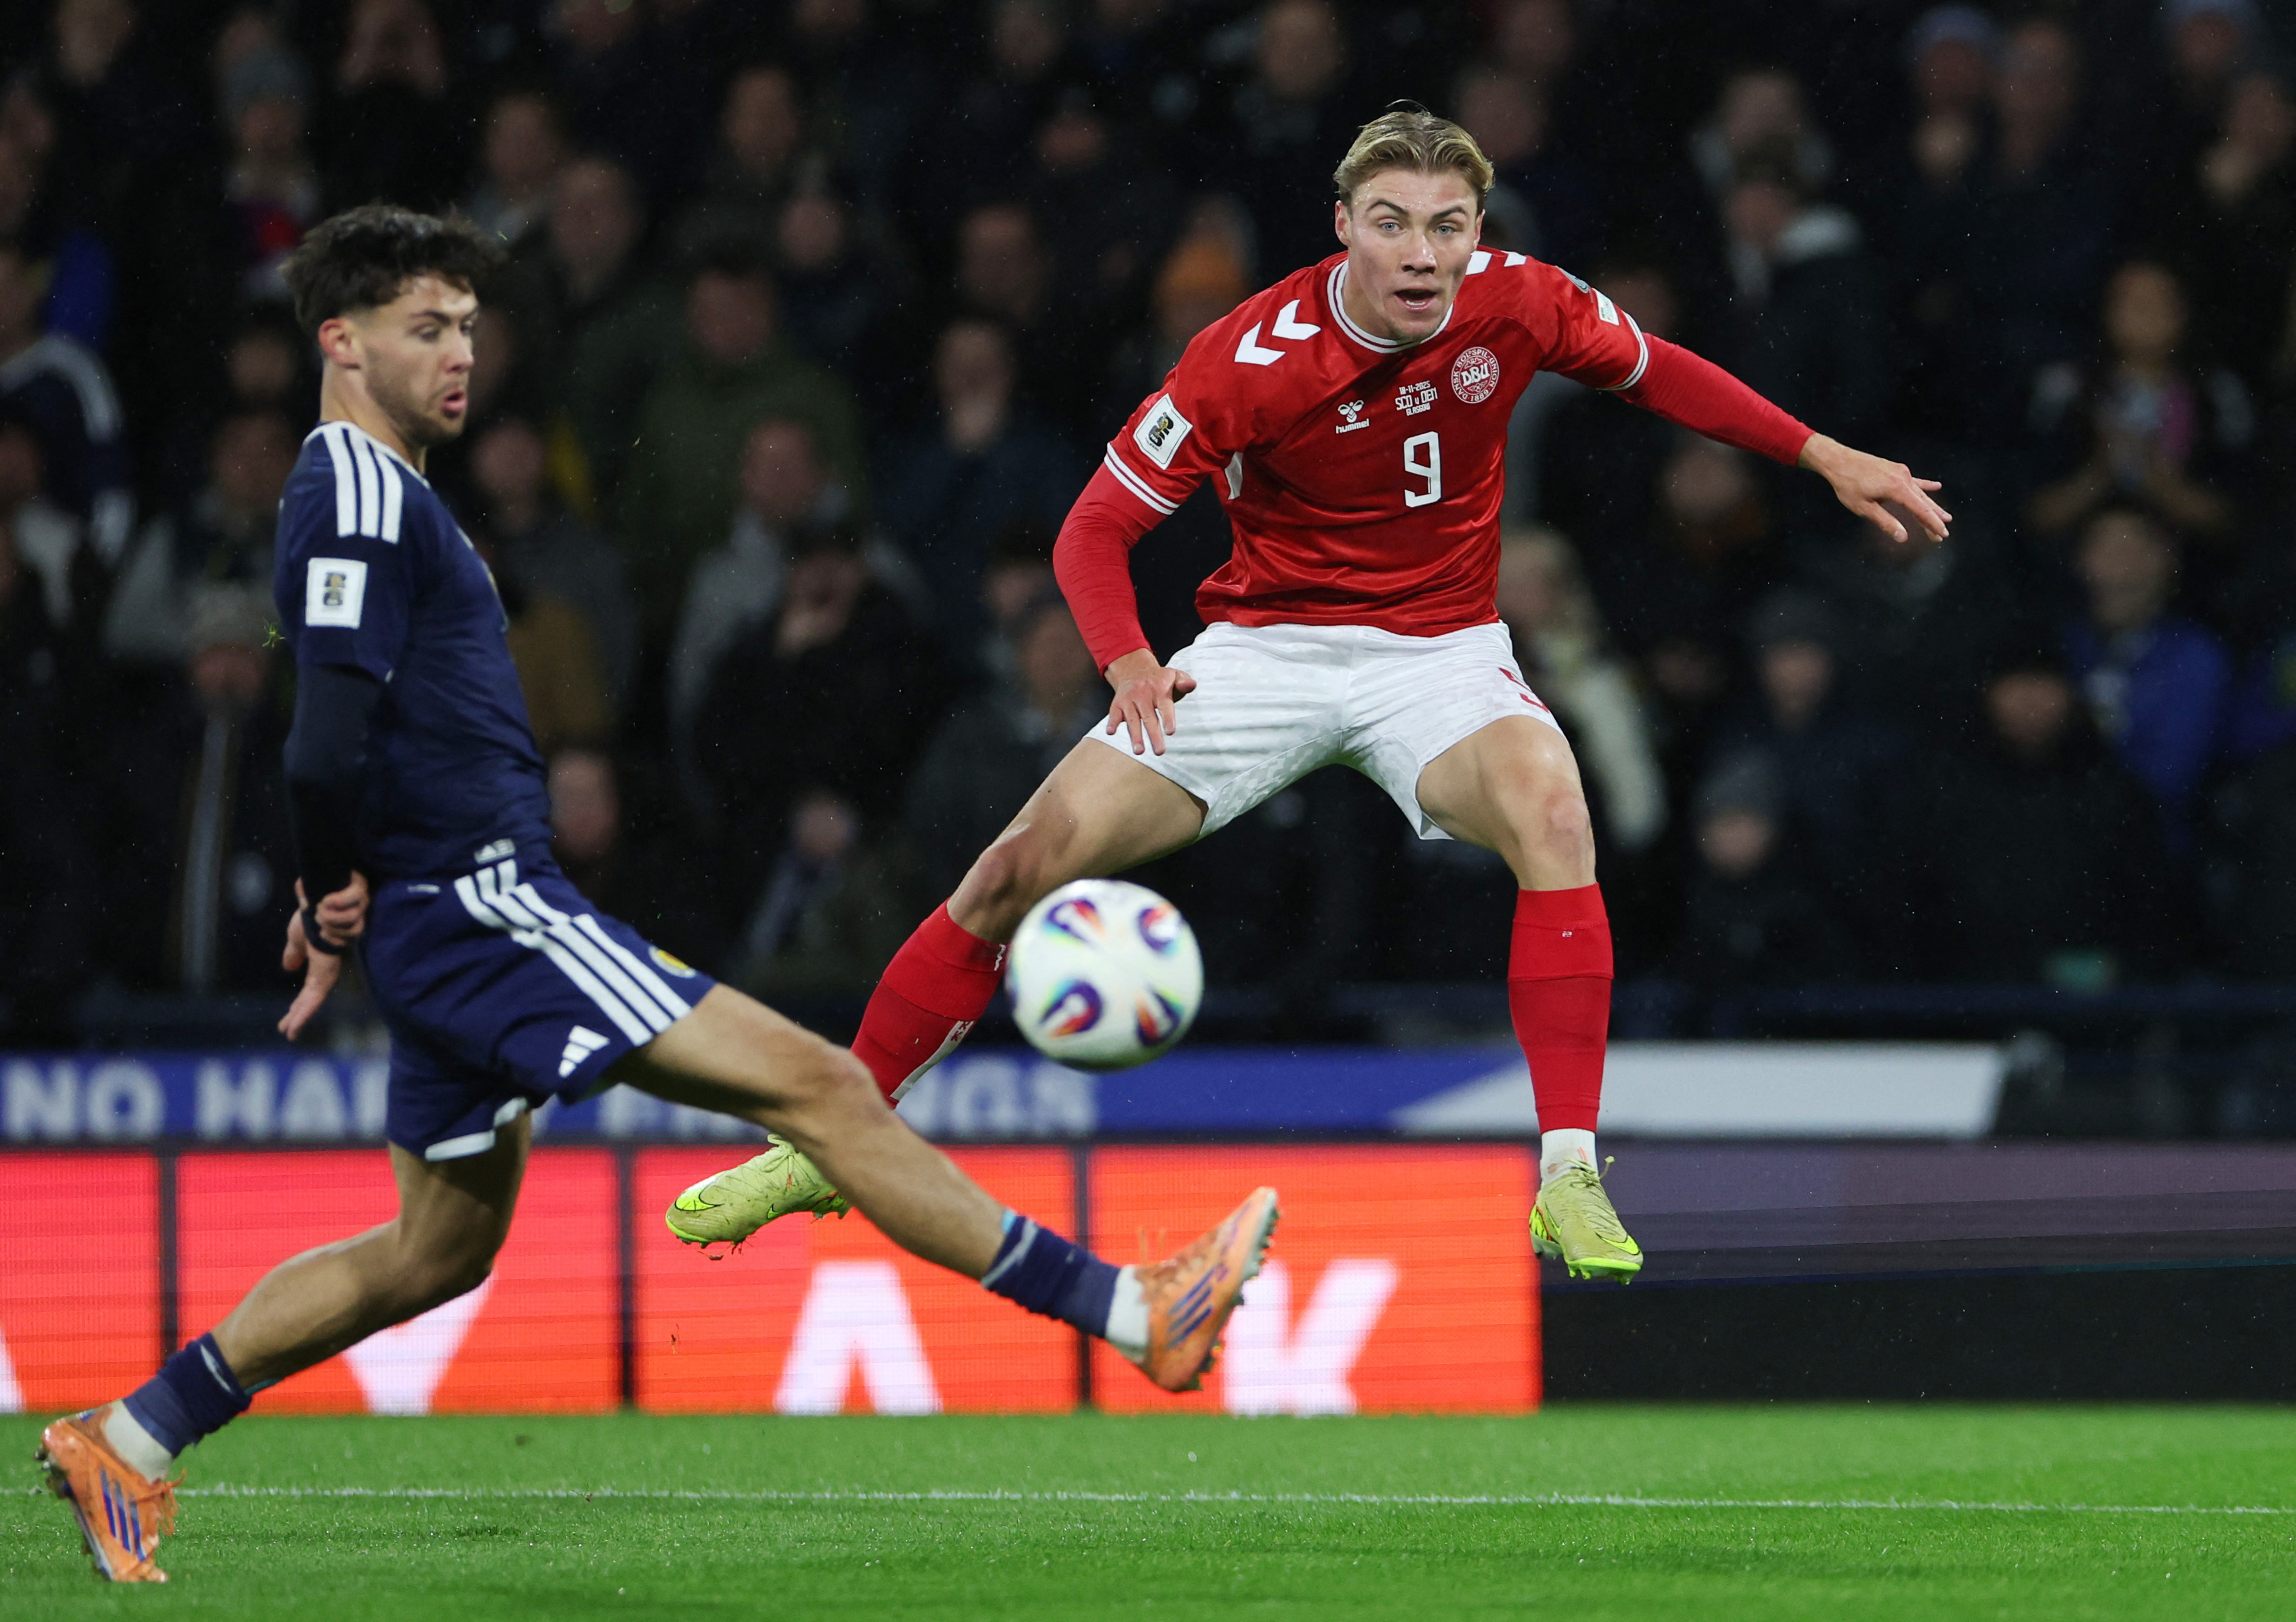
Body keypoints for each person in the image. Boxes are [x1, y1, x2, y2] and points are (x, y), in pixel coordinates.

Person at [34, 207, 1277, 1586]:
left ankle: (133, 1437)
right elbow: (323, 732)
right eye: (425, 328)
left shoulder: (378, 488)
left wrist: (347, 888)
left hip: (449, 916)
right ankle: (1131, 1309)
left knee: (432, 1251)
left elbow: (359, 735)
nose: (461, 354)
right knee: (824, 1090)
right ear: (340, 340)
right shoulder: (361, 492)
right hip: (492, 909)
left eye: (467, 326)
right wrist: (338, 884)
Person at [671, 107, 1949, 1285]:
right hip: (1261, 650)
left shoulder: (1519, 303)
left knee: (1551, 812)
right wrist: (1124, 663)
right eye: (1389, 221)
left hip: (1438, 651)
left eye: (1445, 225)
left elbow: (1656, 369)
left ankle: (1564, 1173)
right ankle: (833, 1139)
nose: (1419, 251)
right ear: (1342, 227)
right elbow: (1091, 531)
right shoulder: (1247, 357)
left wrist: (1821, 454)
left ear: (1474, 235)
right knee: (1014, 866)